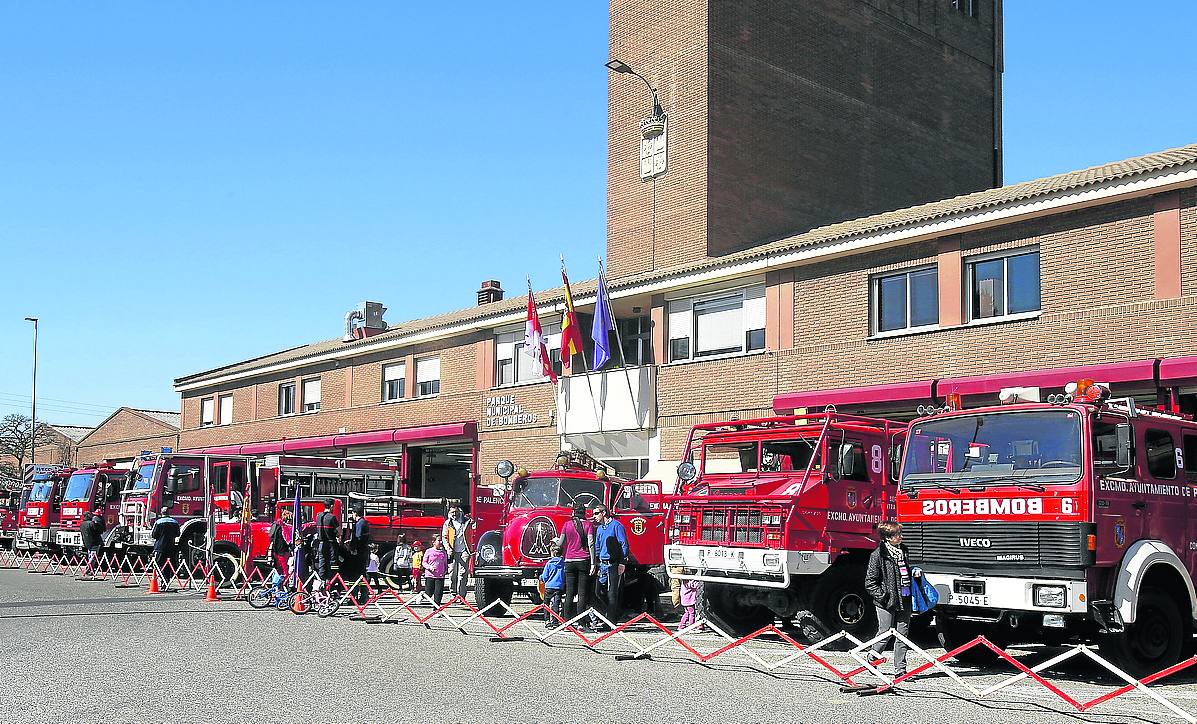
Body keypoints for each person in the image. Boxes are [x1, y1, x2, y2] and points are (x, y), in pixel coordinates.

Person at [865, 520, 915, 679]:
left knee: (902, 635)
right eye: (897, 535)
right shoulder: (878, 555)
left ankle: (900, 670)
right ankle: (872, 658)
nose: (901, 537)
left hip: (905, 599)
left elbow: (905, 573)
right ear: (887, 537)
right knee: (885, 632)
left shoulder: (904, 551)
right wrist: (884, 596)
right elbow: (870, 582)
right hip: (886, 601)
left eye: (900, 534)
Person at [557, 501, 596, 629]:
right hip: (583, 560)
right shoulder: (589, 525)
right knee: (582, 593)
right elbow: (590, 543)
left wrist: (555, 541)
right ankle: (581, 622)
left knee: (569, 592)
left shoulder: (566, 525)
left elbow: (560, 543)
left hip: (569, 561)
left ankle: (566, 621)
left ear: (573, 512)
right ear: (584, 513)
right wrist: (593, 562)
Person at [592, 504, 630, 625]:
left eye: (596, 513)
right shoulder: (599, 528)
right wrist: (596, 562)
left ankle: (611, 621)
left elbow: (623, 544)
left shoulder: (616, 526)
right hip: (602, 564)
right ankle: (608, 613)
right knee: (597, 592)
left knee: (612, 593)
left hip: (613, 563)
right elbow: (597, 546)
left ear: (603, 513)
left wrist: (622, 562)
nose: (594, 517)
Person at [441, 503, 473, 599]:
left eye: (456, 512)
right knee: (452, 573)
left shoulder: (466, 521)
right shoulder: (448, 523)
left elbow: (473, 530)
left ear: (459, 511)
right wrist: (448, 549)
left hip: (464, 550)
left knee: (463, 573)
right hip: (453, 550)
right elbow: (444, 537)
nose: (454, 514)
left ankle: (461, 596)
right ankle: (453, 593)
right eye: (452, 512)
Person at [150, 507, 180, 583]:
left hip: (160, 547)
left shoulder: (158, 522)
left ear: (161, 512)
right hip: (171, 547)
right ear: (168, 512)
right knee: (168, 564)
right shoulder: (175, 522)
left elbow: (154, 535)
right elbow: (178, 534)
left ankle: (162, 579)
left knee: (158, 563)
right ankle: (167, 580)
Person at [539, 544, 565, 626]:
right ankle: (555, 621)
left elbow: (545, 576)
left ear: (552, 553)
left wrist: (541, 578)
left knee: (546, 604)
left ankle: (547, 620)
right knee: (556, 604)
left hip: (549, 586)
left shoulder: (549, 564)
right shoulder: (563, 563)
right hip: (559, 587)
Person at [314, 499, 340, 582]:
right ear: (332, 506)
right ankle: (331, 582)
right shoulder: (332, 517)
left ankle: (321, 582)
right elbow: (339, 532)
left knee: (322, 563)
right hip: (331, 544)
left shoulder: (318, 516)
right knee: (332, 563)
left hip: (321, 543)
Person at [421, 536, 449, 606]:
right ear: (433, 542)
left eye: (441, 541)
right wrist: (429, 567)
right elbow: (424, 562)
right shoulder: (429, 551)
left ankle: (436, 609)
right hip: (430, 575)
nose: (441, 542)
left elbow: (445, 563)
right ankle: (421, 596)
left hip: (440, 576)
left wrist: (445, 570)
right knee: (429, 592)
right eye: (439, 540)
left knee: (438, 593)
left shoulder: (443, 552)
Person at [268, 507, 294, 579]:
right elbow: (288, 540)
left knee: (279, 570)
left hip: (275, 551)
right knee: (285, 570)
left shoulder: (276, 525)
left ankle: (278, 585)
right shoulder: (285, 528)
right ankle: (285, 584)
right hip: (283, 551)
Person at [80, 511, 106, 577]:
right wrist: (99, 523)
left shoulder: (82, 524)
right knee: (93, 557)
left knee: (90, 556)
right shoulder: (91, 524)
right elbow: (100, 530)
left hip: (87, 543)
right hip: (95, 542)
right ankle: (89, 569)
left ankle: (89, 569)